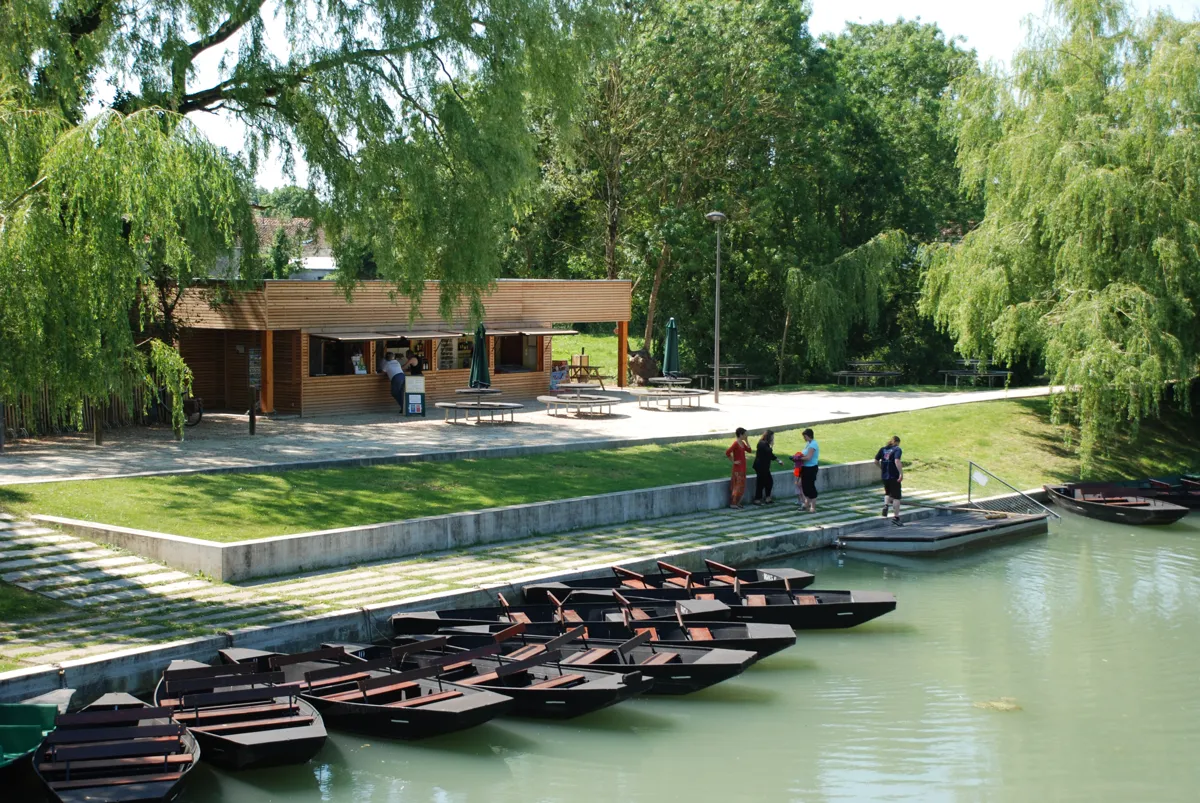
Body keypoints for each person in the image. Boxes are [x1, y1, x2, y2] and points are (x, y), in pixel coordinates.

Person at [875, 435, 904, 526]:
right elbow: (897, 461)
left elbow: (876, 461)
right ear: (897, 442)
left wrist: (882, 468)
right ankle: (896, 518)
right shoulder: (897, 449)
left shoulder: (883, 449)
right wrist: (901, 473)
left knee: (887, 493)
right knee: (896, 497)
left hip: (885, 476)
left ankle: (886, 505)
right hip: (894, 476)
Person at [752, 430, 784, 505]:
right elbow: (768, 451)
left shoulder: (765, 444)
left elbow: (770, 455)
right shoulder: (761, 443)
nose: (773, 438)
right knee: (761, 483)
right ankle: (757, 499)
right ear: (769, 437)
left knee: (769, 482)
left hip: (764, 467)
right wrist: (772, 446)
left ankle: (767, 498)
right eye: (772, 437)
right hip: (760, 466)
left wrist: (778, 460)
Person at [793, 428, 819, 513]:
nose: (804, 438)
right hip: (805, 467)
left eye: (805, 436)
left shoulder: (813, 444)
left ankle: (813, 507)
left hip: (811, 468)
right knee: (804, 486)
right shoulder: (808, 443)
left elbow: (808, 457)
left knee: (810, 486)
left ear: (809, 436)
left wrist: (798, 458)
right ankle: (806, 504)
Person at [725, 427, 752, 510]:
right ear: (740, 435)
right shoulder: (736, 443)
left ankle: (737, 502)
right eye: (745, 435)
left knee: (742, 486)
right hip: (737, 469)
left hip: (743, 468)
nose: (746, 436)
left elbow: (749, 450)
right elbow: (727, 452)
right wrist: (734, 461)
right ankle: (733, 503)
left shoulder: (742, 443)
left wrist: (747, 441)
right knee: (737, 486)